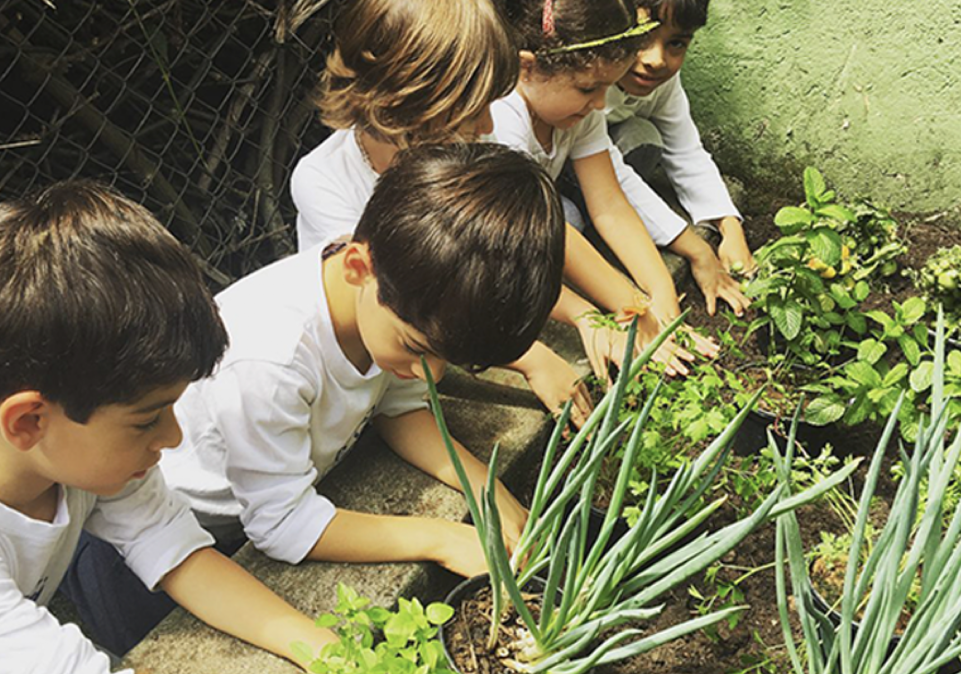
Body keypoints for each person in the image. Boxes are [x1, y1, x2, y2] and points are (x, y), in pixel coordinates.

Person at [0, 181, 337, 674]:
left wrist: (324, 650)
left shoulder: (66, 457)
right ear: (28, 420)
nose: (172, 438)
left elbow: (175, 550)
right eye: (147, 419)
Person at [163, 143, 564, 575]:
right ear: (358, 266)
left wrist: (485, 489)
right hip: (182, 529)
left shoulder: (389, 303)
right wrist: (440, 538)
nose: (431, 375)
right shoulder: (271, 360)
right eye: (416, 348)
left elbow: (399, 407)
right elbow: (281, 525)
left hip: (263, 495)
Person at [290, 0, 629, 408]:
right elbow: (411, 300)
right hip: (386, 366)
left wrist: (594, 312)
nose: (488, 126)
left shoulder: (460, 143)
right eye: (474, 111)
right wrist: (533, 359)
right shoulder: (323, 182)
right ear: (407, 103)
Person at [492, 0, 748, 352]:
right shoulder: (502, 118)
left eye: (604, 89)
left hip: (536, 208)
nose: (601, 104)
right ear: (527, 68)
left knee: (568, 217)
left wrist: (662, 296)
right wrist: (635, 306)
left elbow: (610, 205)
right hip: (493, 228)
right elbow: (543, 229)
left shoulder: (584, 103)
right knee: (560, 225)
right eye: (588, 89)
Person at [604, 0, 756, 302]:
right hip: (566, 168)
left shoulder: (662, 82)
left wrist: (729, 227)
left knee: (642, 139)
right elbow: (609, 175)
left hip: (601, 161)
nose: (656, 59)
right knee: (568, 218)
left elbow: (685, 150)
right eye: (641, 38)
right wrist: (694, 248)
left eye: (676, 43)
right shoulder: (588, 78)